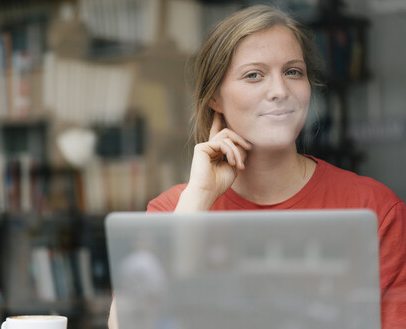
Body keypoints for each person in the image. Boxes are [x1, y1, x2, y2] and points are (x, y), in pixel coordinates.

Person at [108, 4, 406, 329]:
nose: (280, 91)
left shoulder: (375, 208)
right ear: (215, 98)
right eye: (254, 75)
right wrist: (199, 199)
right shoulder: (173, 210)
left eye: (293, 72)